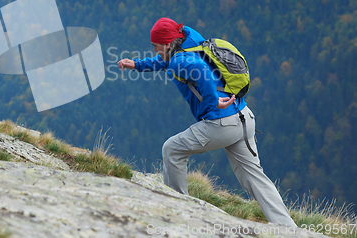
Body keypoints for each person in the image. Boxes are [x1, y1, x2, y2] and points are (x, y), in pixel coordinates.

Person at [117, 17, 296, 227]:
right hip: (245, 117)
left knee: (172, 150)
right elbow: (167, 61)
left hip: (222, 124)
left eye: (155, 45)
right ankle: (289, 228)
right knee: (255, 178)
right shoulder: (189, 40)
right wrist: (137, 65)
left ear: (166, 44)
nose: (154, 49)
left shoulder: (179, 60)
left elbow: (201, 73)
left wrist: (212, 104)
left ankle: (178, 211)